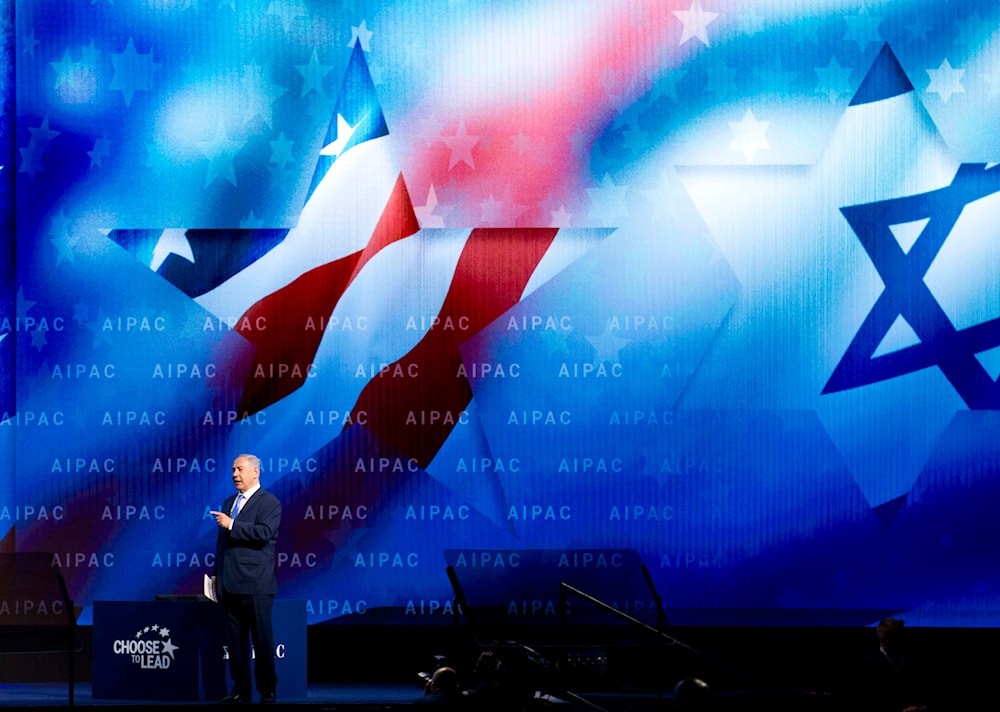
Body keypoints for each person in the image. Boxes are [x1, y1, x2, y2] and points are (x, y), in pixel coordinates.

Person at [210, 454, 282, 705]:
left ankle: (267, 691)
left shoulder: (269, 503)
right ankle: (240, 690)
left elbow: (263, 534)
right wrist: (216, 575)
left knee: (261, 640)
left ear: (255, 472)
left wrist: (232, 525)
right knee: (235, 643)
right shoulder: (230, 502)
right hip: (229, 584)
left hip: (256, 584)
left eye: (239, 469)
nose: (234, 474)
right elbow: (222, 544)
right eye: (232, 470)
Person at [853, 617, 927, 712]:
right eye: (896, 635)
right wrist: (902, 711)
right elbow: (865, 701)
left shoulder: (907, 662)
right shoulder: (867, 665)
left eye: (901, 635)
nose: (901, 639)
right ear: (883, 637)